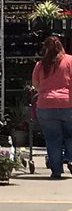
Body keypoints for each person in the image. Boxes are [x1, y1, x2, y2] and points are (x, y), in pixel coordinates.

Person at [30, 36, 72, 179]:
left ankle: (56, 171)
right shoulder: (70, 61)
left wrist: (45, 91)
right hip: (68, 103)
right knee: (70, 136)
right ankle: (70, 158)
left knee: (53, 139)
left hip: (46, 105)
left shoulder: (41, 65)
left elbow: (36, 84)